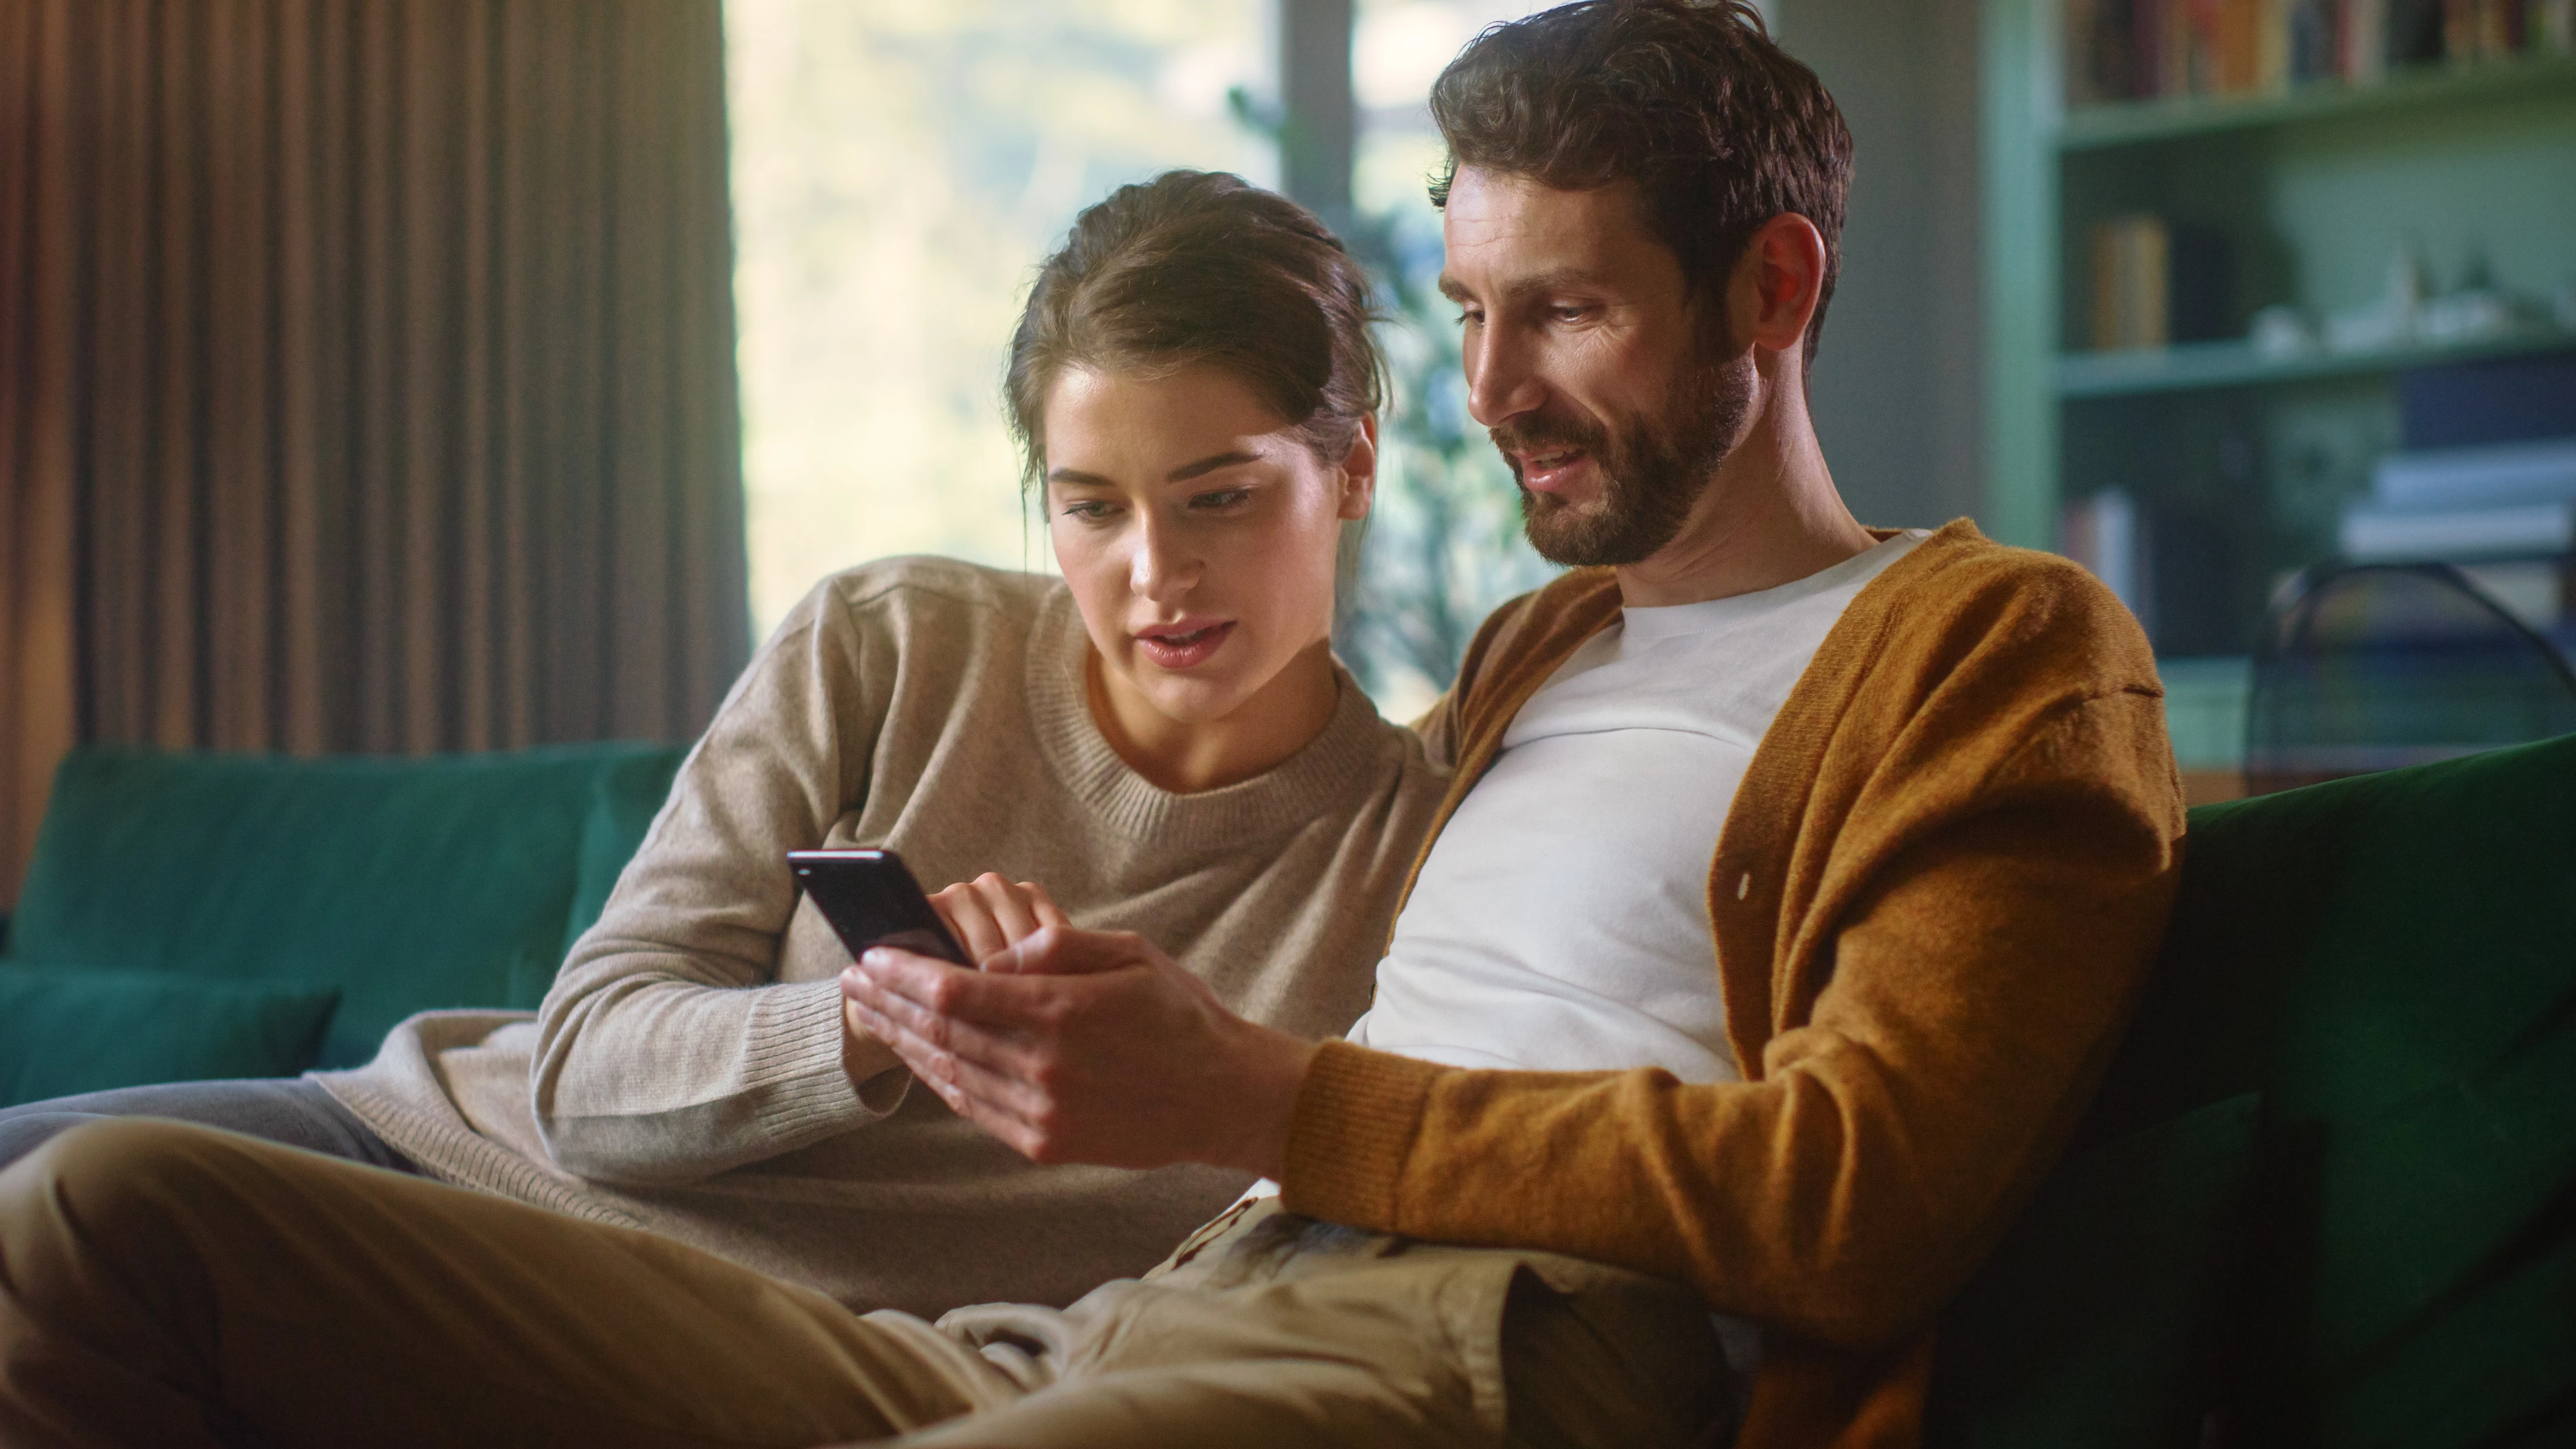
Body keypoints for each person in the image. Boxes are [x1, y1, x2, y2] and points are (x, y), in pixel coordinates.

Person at [0, 6, 2184, 1448]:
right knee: (94, 1211)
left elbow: (1860, 1194)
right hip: (1149, 1301)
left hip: (1488, 1319)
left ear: (1775, 289)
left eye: (1571, 311)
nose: (1497, 389)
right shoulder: (1543, 662)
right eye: (1470, 311)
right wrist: (929, 1038)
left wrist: (1249, 1088)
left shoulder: (1988, 648)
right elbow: (605, 1065)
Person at [0, 170, 1444, 1319]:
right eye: (1092, 507)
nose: (1154, 576)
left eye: (1219, 498)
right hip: (442, 1151)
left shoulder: (1420, 861)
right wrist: (871, 1020)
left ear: (1352, 468)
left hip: (712, 1337)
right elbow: (583, 1074)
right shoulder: (893, 643)